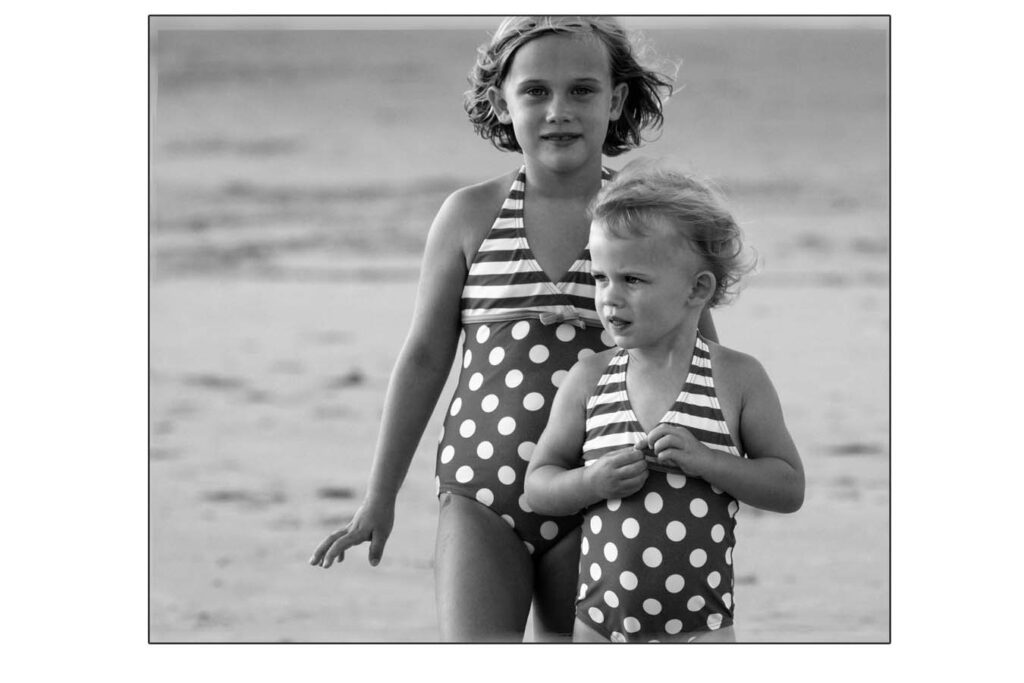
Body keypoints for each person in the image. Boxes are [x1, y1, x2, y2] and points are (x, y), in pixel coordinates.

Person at [309, 17, 714, 642]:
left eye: (582, 90)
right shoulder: (470, 214)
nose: (559, 111)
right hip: (481, 493)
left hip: (606, 491)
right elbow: (423, 357)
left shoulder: (649, 224)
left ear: (618, 100)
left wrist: (708, 479)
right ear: (502, 101)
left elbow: (700, 357)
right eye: (535, 92)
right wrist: (379, 496)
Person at [524, 160, 804, 643]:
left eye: (632, 280)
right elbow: (539, 486)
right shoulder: (589, 379)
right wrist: (591, 481)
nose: (610, 298)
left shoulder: (736, 378)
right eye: (600, 278)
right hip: (598, 627)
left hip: (701, 630)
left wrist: (707, 461)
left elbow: (787, 486)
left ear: (697, 289)